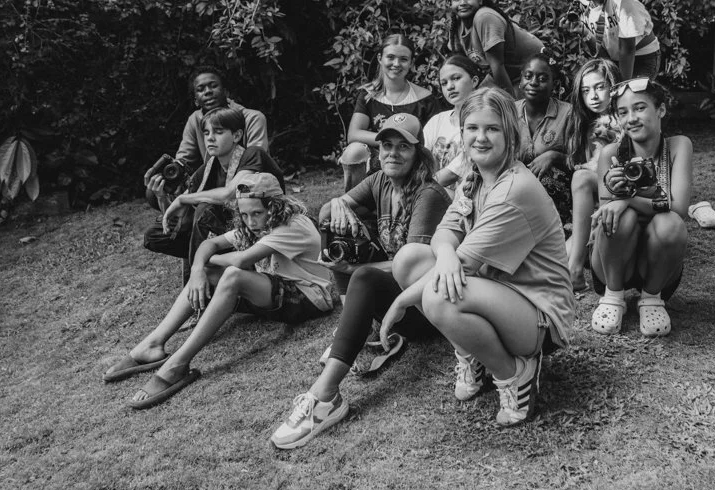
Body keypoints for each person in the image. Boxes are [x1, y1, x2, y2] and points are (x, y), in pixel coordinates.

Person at [380, 88, 575, 428]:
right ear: (462, 132)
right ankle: (474, 354)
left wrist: (400, 302)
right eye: (472, 128)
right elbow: (444, 232)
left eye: (492, 129)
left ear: (509, 134)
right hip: (495, 291)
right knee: (410, 259)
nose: (480, 137)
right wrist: (446, 255)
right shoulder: (474, 178)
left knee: (438, 296)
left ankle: (516, 373)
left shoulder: (513, 190)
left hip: (538, 314)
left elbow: (465, 265)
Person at [270, 114, 450, 449]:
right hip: (399, 296)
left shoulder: (429, 194)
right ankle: (354, 331)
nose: (392, 153)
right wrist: (339, 205)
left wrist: (353, 270)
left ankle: (325, 398)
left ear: (418, 153)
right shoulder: (380, 179)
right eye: (386, 145)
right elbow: (326, 213)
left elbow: (414, 267)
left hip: (428, 306)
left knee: (364, 274)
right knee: (340, 234)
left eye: (403, 147)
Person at [103, 172, 335, 408]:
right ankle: (152, 344)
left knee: (232, 275)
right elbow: (210, 243)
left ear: (275, 207)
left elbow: (241, 260)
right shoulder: (255, 224)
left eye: (257, 213)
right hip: (273, 290)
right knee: (209, 273)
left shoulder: (293, 225)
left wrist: (207, 262)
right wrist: (197, 270)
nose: (251, 222)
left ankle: (177, 365)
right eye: (244, 215)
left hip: (309, 298)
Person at [589, 77, 692, 337]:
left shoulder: (678, 146)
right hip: (613, 262)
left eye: (640, 108)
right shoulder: (611, 153)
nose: (631, 118)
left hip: (658, 265)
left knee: (671, 223)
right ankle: (613, 295)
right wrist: (616, 194)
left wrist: (627, 199)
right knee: (618, 217)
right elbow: (606, 213)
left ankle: (651, 298)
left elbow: (679, 209)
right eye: (623, 112)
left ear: (661, 110)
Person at [143, 107, 284, 284]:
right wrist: (161, 197)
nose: (210, 138)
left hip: (264, 225)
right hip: (232, 230)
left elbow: (230, 193)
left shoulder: (252, 154)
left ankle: (199, 281)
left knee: (205, 210)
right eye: (206, 133)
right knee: (154, 235)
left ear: (236, 135)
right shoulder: (208, 168)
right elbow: (180, 218)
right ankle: (206, 268)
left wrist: (183, 198)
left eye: (218, 132)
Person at [340, 34, 438, 192]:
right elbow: (353, 134)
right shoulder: (368, 95)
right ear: (380, 58)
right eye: (391, 57)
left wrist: (404, 146)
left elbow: (435, 139)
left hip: (411, 158)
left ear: (411, 62)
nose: (396, 64)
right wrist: (388, 142)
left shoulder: (425, 99)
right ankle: (354, 202)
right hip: (379, 158)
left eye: (403, 59)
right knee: (354, 151)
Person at [565, 58, 622, 291]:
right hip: (597, 204)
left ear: (613, 86)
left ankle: (576, 270)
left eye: (600, 87)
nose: (594, 96)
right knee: (559, 256)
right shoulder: (586, 125)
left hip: (622, 196)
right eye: (586, 90)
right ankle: (577, 262)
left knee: (581, 177)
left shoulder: (626, 119)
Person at [447, 0, 543, 95]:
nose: (462, 2)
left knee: (495, 103)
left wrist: (510, 102)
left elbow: (497, 66)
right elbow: (462, 66)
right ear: (450, 3)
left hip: (533, 72)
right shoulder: (457, 25)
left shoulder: (485, 17)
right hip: (506, 75)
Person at [515, 54, 574, 225]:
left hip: (555, 194)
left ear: (554, 85)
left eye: (542, 79)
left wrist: (554, 156)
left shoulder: (568, 114)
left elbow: (581, 162)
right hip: (514, 188)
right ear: (520, 81)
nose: (533, 82)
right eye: (528, 76)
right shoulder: (509, 112)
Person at [422, 55, 482, 190]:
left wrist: (422, 188)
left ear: (474, 81)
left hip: (467, 195)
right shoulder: (437, 121)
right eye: (444, 83)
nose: (450, 86)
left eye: (456, 78)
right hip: (432, 191)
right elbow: (420, 160)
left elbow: (452, 173)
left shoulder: (483, 123)